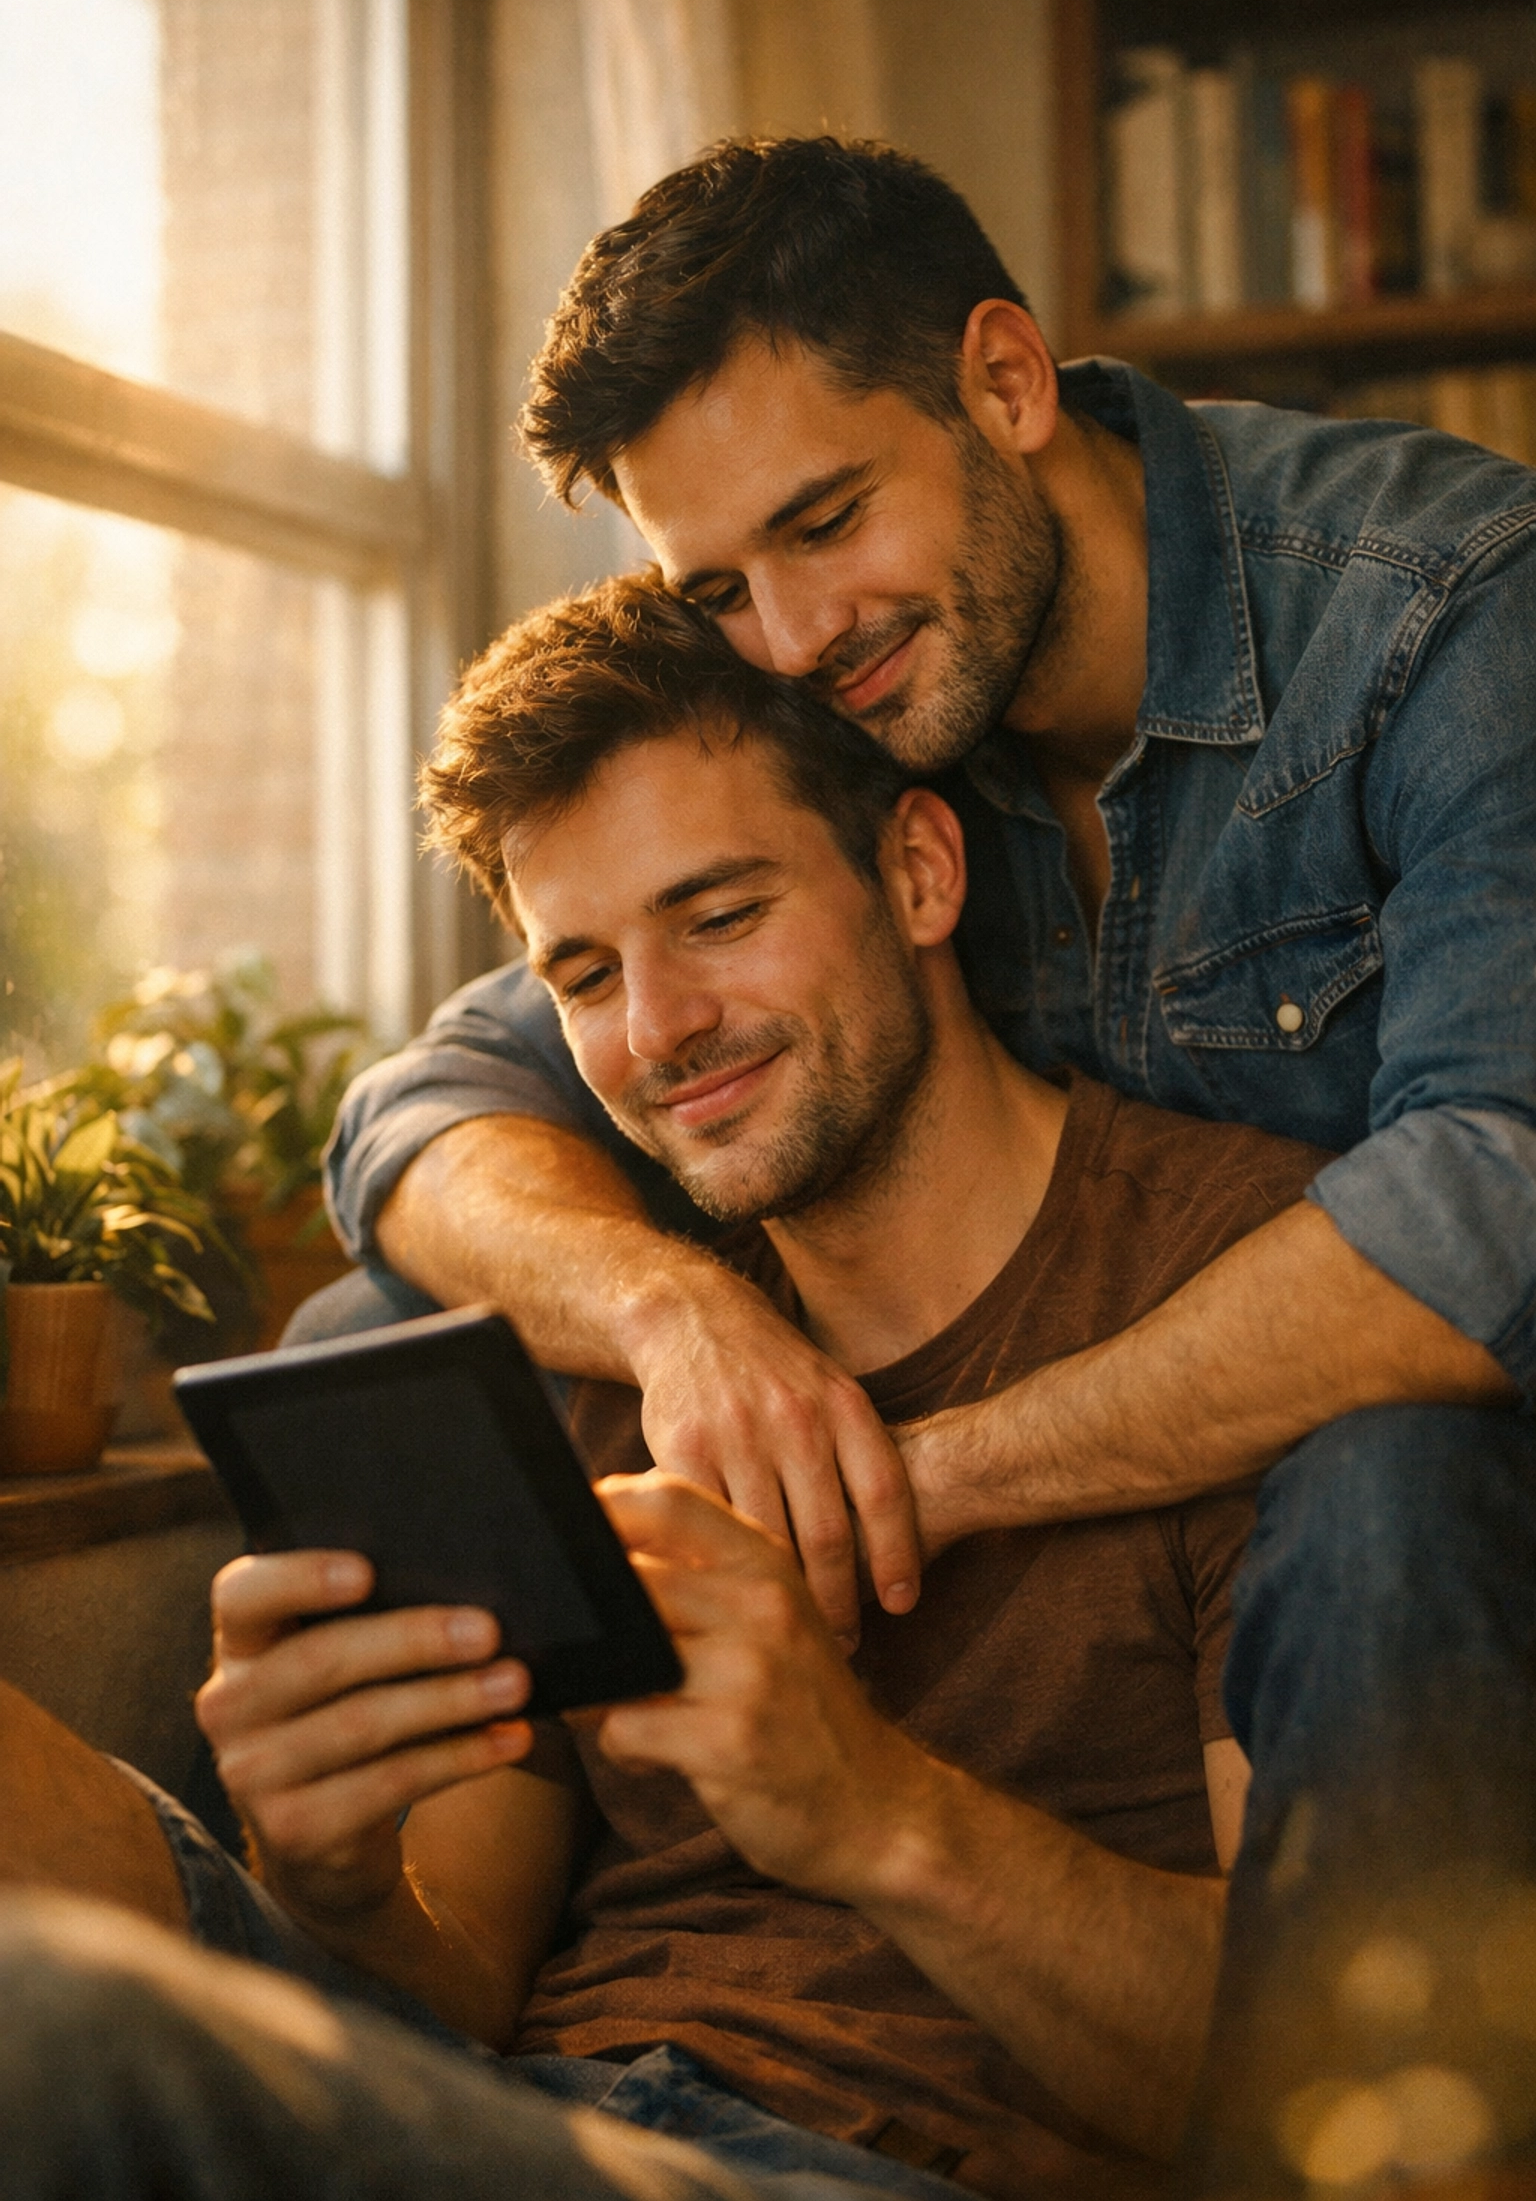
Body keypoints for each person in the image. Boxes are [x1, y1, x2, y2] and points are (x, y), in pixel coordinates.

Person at [317, 138, 1536, 2186]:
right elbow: (428, 1111)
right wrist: (680, 1312)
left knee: (1384, 1477)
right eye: (717, 587)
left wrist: (905, 1471)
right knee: (386, 1317)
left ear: (1003, 381)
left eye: (821, 522)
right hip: (630, 2063)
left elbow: (1498, 1206)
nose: (784, 640)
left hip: (1440, 1489)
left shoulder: (1445, 617)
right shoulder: (872, 697)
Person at [0, 582, 1350, 2199]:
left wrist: (867, 1809)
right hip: (526, 2118)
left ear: (919, 872)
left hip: (861, 2164)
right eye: (581, 974)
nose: (659, 1034)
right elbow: (460, 1990)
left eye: (719, 917)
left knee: (50, 2028)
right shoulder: (618, 1328)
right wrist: (333, 1879)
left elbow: (1307, 2077)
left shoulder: (1256, 1294)